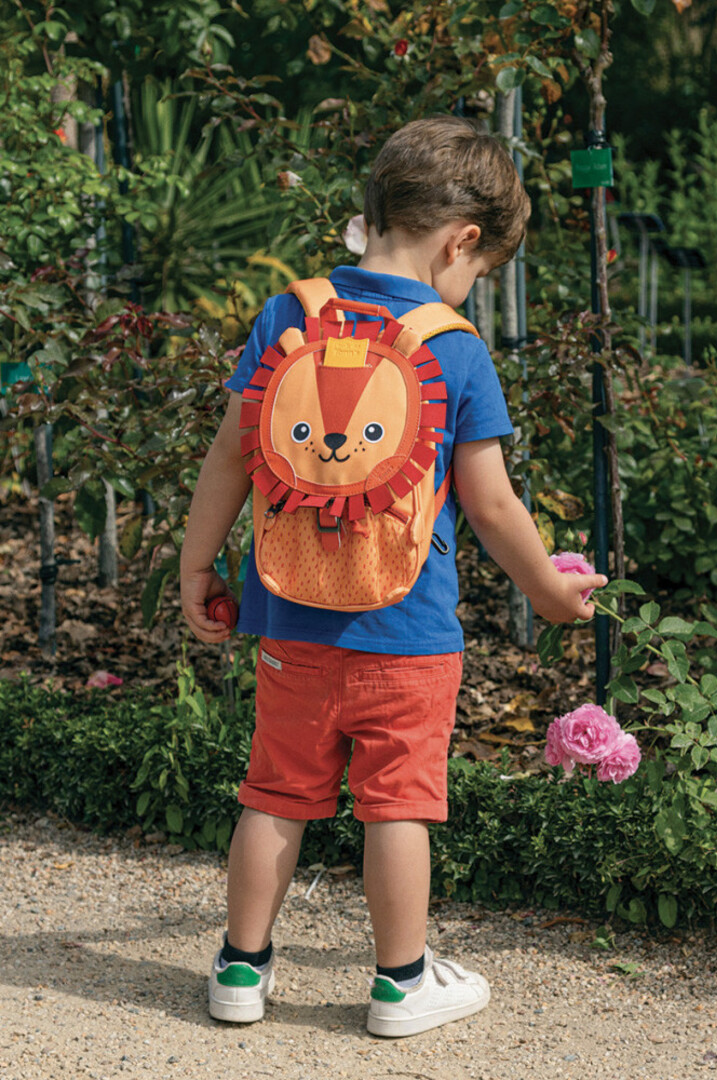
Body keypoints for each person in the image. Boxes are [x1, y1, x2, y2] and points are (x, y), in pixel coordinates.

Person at [179, 115, 606, 1038]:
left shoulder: (289, 315)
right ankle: (400, 984)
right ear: (461, 241)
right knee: (397, 807)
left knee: (274, 794)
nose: (472, 286)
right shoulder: (454, 347)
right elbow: (492, 506)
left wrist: (196, 563)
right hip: (408, 636)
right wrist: (548, 592)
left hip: (289, 617)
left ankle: (241, 970)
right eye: (480, 270)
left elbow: (231, 451)